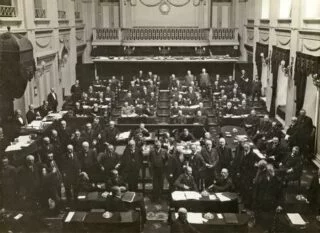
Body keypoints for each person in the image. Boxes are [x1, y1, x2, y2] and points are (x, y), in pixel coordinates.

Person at [232, 143, 257, 207]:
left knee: (247, 188)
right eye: (244, 147)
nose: (245, 149)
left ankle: (246, 202)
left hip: (249, 175)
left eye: (246, 147)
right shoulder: (243, 153)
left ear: (249, 148)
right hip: (242, 173)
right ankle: (242, 199)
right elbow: (241, 163)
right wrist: (238, 171)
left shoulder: (253, 155)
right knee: (242, 186)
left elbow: (253, 164)